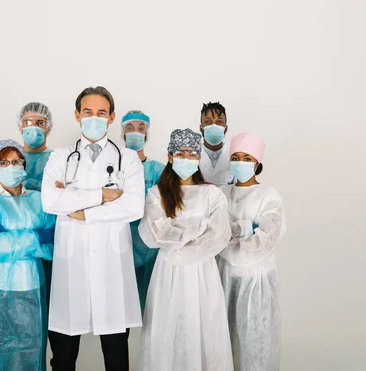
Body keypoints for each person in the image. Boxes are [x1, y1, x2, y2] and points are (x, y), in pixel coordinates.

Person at [41, 86, 144, 371]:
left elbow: (134, 207)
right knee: (63, 357)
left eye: (101, 112)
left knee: (116, 356)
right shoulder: (61, 156)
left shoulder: (128, 158)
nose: (94, 118)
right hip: (71, 262)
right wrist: (102, 195)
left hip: (112, 263)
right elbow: (50, 200)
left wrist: (82, 213)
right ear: (77, 115)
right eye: (88, 112)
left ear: (112, 118)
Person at [138, 128, 233, 371]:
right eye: (181, 153)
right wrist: (196, 229)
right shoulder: (157, 194)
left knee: (203, 329)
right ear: (170, 155)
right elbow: (155, 233)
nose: (187, 158)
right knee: (168, 329)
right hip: (168, 275)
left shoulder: (212, 194)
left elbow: (219, 234)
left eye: (192, 154)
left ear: (199, 157)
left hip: (202, 274)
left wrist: (179, 238)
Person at [0, 140, 55, 371]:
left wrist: (9, 237)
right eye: (4, 162)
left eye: (16, 161)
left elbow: (54, 243)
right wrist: (35, 236)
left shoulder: (38, 199)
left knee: (28, 352)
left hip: (30, 284)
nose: (11, 166)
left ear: (24, 166)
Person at [217, 133, 286, 371]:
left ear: (257, 163)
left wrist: (235, 232)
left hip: (256, 280)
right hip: (224, 277)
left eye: (247, 158)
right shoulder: (222, 195)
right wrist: (247, 227)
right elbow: (216, 235)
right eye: (235, 157)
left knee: (256, 346)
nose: (241, 162)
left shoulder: (269, 196)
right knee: (224, 344)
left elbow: (267, 238)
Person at [0, 102, 56, 307]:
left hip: (44, 251)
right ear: (20, 126)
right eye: (28, 122)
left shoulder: (57, 160)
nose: (33, 126)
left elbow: (58, 206)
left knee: (43, 306)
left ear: (48, 126)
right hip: (9, 255)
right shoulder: (1, 159)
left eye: (40, 122)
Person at [121, 110, 165, 312]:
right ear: (122, 134)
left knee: (152, 304)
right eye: (129, 128)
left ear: (147, 133)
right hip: (119, 242)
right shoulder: (112, 167)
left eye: (140, 128)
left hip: (150, 246)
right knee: (121, 307)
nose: (135, 132)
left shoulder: (158, 170)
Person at [199, 101, 235, 185]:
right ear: (201, 128)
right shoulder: (191, 156)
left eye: (219, 122)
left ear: (226, 128)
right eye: (208, 122)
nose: (214, 126)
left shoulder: (235, 155)